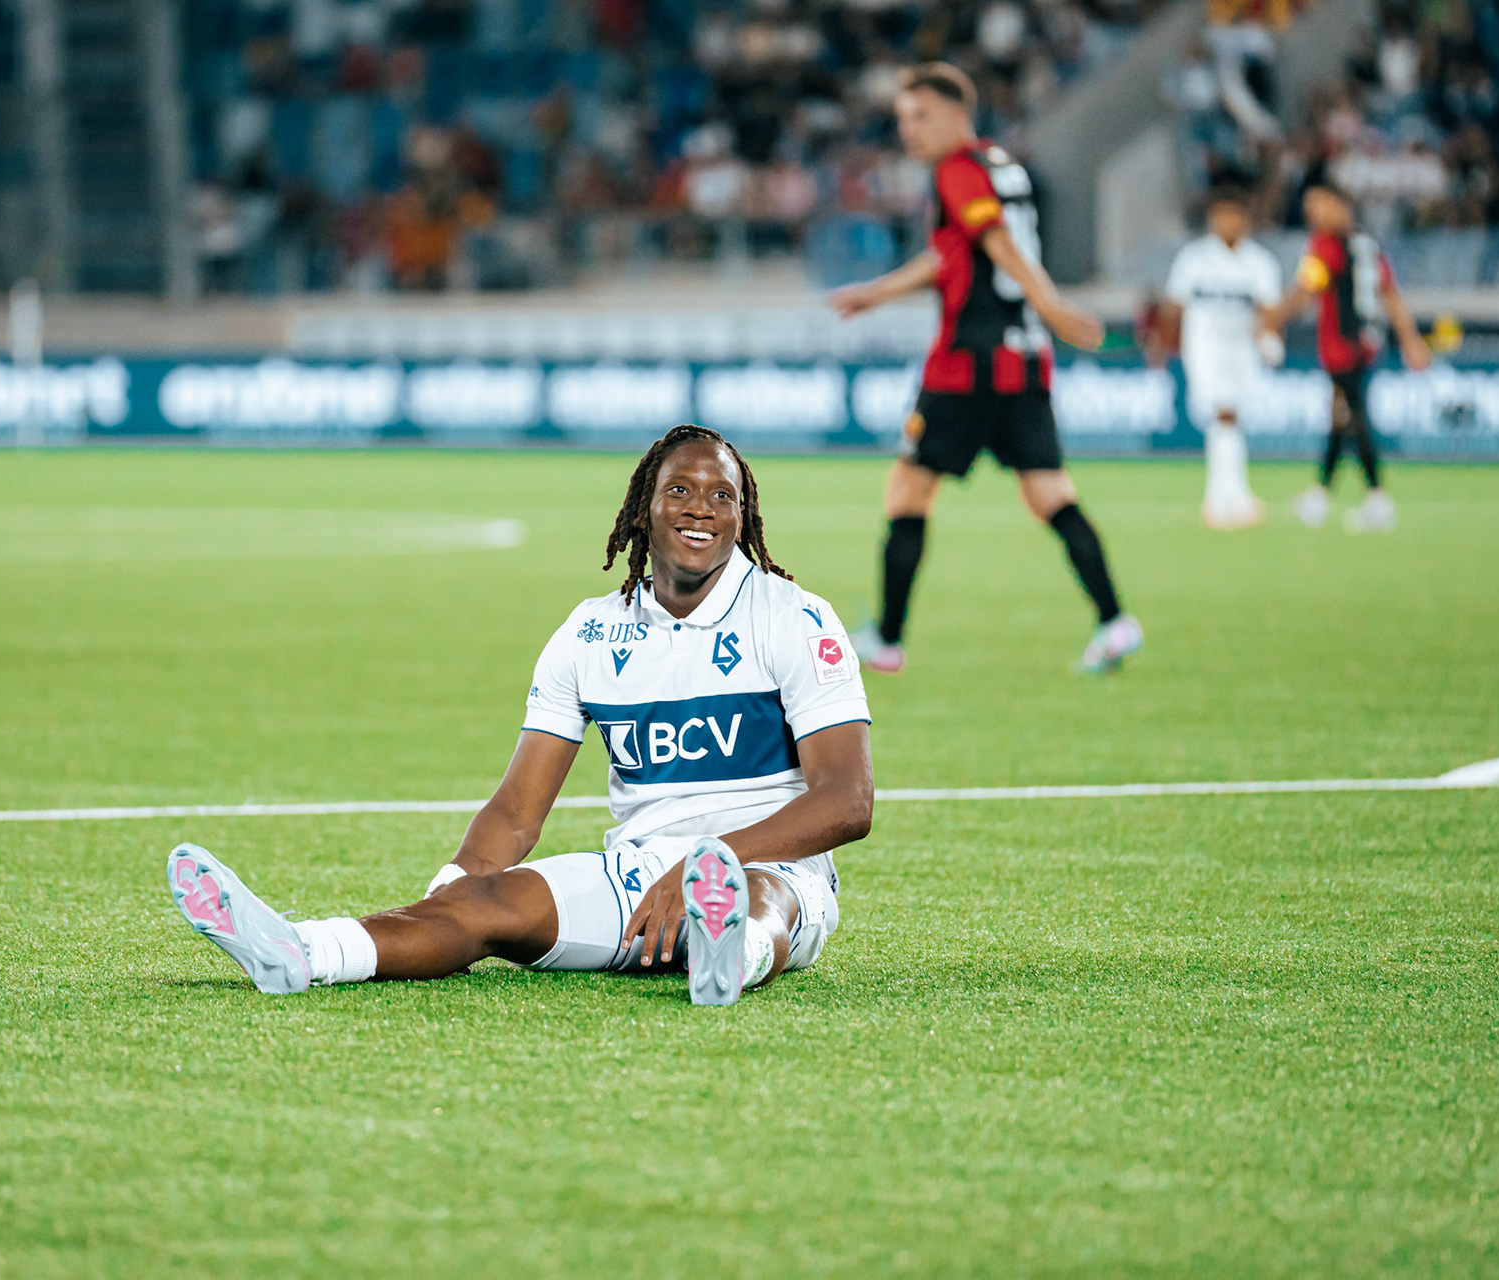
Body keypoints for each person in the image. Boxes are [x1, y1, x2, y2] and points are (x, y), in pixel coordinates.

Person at [165, 425, 874, 1007]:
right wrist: (451, 893)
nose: (701, 508)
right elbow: (516, 812)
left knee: (759, 898)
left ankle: (729, 957)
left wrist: (707, 862)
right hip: (637, 877)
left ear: (742, 516)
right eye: (679, 490)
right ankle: (301, 950)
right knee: (486, 907)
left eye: (723, 495)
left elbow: (848, 801)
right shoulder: (590, 634)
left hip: (773, 867)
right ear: (642, 510)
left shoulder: (794, 618)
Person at [828, 62, 1142, 677]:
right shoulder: (1002, 164)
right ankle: (1114, 622)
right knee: (1050, 493)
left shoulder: (956, 171)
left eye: (920, 117)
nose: (910, 131)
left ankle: (888, 640)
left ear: (955, 112)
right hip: (1024, 361)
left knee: (908, 491)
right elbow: (955, 254)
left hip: (965, 365)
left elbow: (995, 241)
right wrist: (881, 292)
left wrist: (1051, 302)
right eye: (901, 120)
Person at [1266, 179, 1431, 532]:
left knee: (1351, 419)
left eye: (1318, 204)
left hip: (1341, 348)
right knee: (1342, 420)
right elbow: (1391, 296)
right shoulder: (1366, 245)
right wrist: (1410, 340)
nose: (1312, 212)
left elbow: (1306, 289)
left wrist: (1270, 319)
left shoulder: (1325, 245)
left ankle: (1376, 497)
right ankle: (1321, 496)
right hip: (1363, 345)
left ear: (1339, 204)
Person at [1155, 182, 1284, 529]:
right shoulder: (1194, 258)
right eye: (1219, 216)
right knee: (1223, 413)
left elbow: (1268, 309)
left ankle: (1224, 497)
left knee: (1230, 418)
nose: (1224, 222)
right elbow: (1174, 305)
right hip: (1205, 346)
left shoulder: (1259, 262)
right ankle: (1229, 499)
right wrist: (1159, 343)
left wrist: (1269, 337)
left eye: (1231, 215)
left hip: (1242, 347)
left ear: (1244, 219)